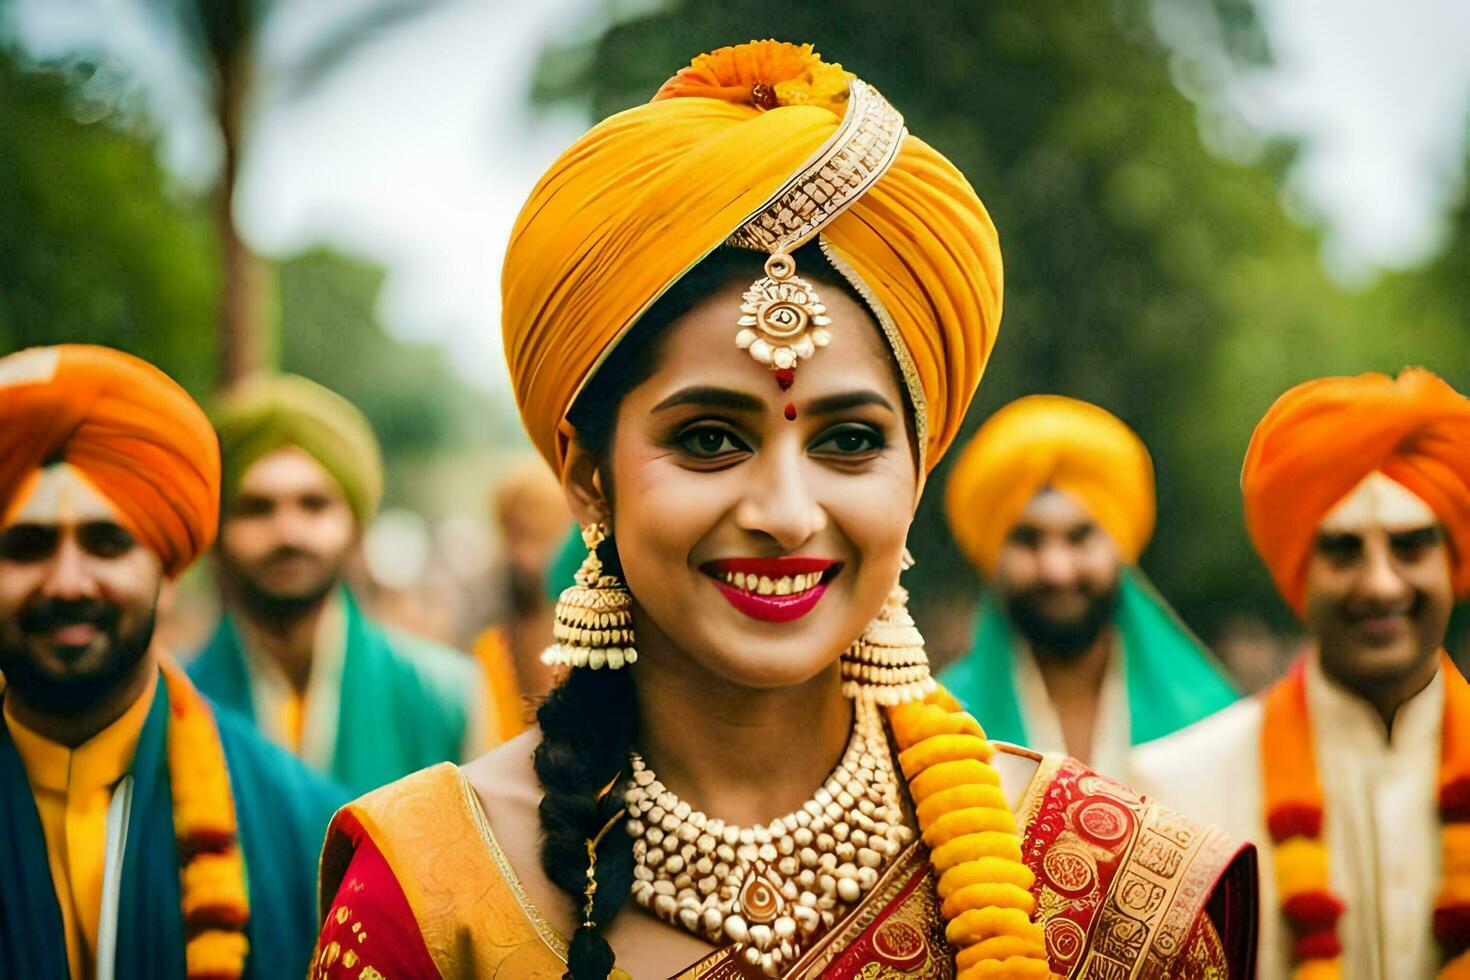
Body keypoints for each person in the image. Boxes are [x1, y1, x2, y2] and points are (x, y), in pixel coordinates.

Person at [310, 41, 1256, 979]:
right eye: (711, 439)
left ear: (917, 474)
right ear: (587, 474)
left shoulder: (1104, 886)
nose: (788, 512)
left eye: (849, 442)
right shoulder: (437, 897)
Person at [0, 345, 345, 979]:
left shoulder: (305, 829)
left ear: (168, 564)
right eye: (28, 546)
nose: (68, 582)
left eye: (107, 544)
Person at [1133, 369, 1470, 979]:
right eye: (1343, 550)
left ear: (1452, 560)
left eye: (1411, 546)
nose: (1380, 583)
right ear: (1297, 568)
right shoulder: (1173, 791)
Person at [189, 373, 489, 795]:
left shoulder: (445, 698)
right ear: (216, 533)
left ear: (355, 528)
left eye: (314, 505)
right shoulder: (173, 705)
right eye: (257, 508)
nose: (288, 533)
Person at [940, 396, 1237, 775]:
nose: (1056, 570)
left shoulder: (1209, 719)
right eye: (1028, 540)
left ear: (1119, 546)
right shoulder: (942, 725)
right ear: (994, 553)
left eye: (1079, 538)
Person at [472, 458, 573, 743]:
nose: (523, 557)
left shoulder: (610, 645)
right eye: (513, 537)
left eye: (538, 538)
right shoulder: (493, 648)